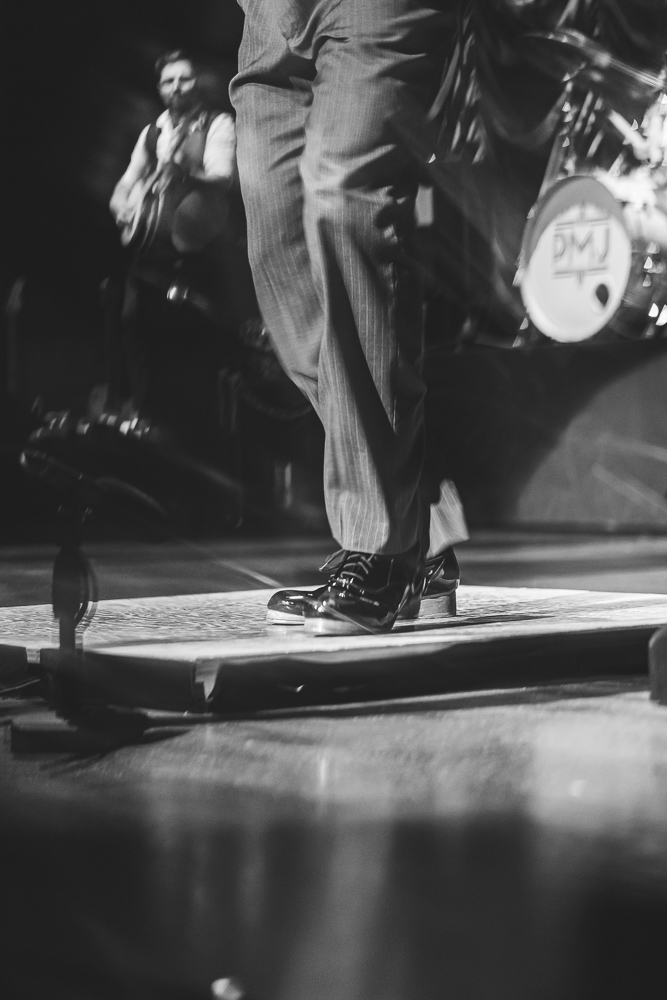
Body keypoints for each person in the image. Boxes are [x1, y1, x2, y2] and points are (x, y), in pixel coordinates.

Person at [230, 0, 469, 635]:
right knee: (277, 239)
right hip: (271, 16)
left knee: (344, 198)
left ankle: (386, 550)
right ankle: (425, 524)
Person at [109, 50, 248, 448]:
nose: (176, 88)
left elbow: (222, 178)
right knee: (136, 332)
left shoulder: (218, 123)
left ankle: (193, 442)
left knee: (191, 348)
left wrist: (185, 172)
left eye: (184, 79)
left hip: (196, 256)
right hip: (150, 255)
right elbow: (127, 180)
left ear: (197, 82)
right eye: (169, 82)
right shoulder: (152, 132)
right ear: (159, 88)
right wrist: (123, 205)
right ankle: (146, 425)